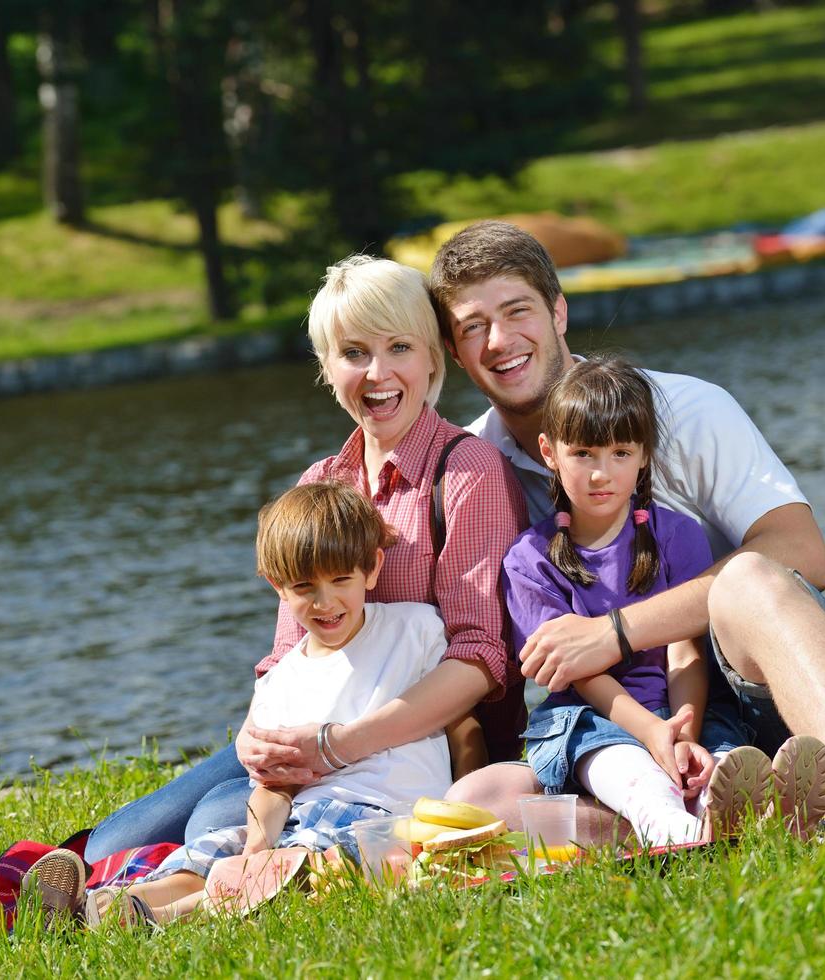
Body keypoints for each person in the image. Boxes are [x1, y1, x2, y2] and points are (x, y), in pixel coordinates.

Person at [429, 220, 825, 851]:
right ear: (454, 350)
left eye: (516, 310)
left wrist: (617, 633)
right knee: (482, 801)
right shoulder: (476, 467)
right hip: (630, 730)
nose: (498, 341)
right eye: (472, 327)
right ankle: (718, 822)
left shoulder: (684, 409)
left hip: (786, 692)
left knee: (744, 578)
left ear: (558, 312)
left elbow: (803, 552)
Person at [84, 256, 528, 863]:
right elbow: (287, 655)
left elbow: (480, 658)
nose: (377, 374)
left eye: (399, 346)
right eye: (352, 353)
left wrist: (338, 745)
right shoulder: (322, 480)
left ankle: (192, 880)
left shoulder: (467, 472)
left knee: (212, 818)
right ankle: (98, 883)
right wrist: (258, 736)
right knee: (110, 842)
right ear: (326, 367)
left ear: (433, 356)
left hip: (418, 744)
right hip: (318, 726)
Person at [74, 481, 455, 926]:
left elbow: (459, 720)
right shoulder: (280, 682)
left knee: (313, 866)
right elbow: (274, 787)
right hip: (302, 814)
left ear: (371, 569)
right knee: (211, 854)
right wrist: (257, 843)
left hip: (383, 817)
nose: (325, 601)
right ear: (279, 587)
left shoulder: (416, 628)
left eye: (341, 580)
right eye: (304, 586)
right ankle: (107, 903)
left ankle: (165, 915)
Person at [507, 353, 825, 846]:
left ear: (644, 456)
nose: (602, 473)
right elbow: (579, 674)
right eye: (584, 454)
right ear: (549, 452)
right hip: (594, 719)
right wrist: (649, 732)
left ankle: (766, 813)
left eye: (621, 453)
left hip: (681, 706)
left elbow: (685, 648)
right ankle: (670, 828)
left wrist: (683, 731)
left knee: (720, 762)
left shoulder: (677, 535)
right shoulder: (529, 560)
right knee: (632, 773)